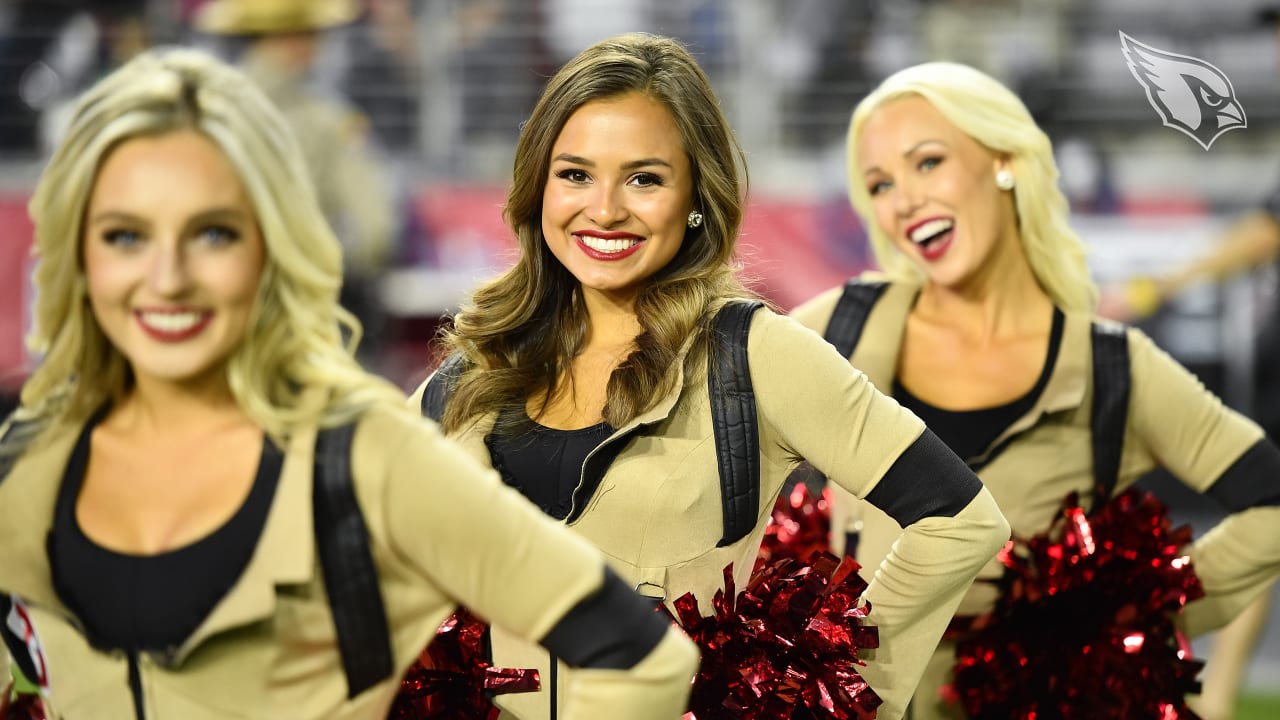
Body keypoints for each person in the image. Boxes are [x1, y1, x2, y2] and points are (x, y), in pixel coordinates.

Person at [0, 46, 699, 720]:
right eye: (125, 236)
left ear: (270, 248)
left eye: (213, 234)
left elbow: (637, 659)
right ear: (78, 254)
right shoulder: (30, 457)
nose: (167, 278)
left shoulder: (363, 455)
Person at [412, 33, 1011, 720]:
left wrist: (828, 691)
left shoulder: (753, 355)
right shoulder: (464, 380)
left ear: (697, 194)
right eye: (575, 174)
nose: (604, 209)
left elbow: (959, 521)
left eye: (644, 178)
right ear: (535, 189)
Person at [790, 61, 1280, 719]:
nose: (902, 200)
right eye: (879, 184)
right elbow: (696, 441)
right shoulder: (837, 328)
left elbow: (1270, 502)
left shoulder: (1110, 364)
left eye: (927, 163)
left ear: (1004, 161)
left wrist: (1147, 618)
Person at [194, 0, 396, 359]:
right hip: (305, 323)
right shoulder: (329, 122)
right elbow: (375, 233)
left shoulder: (201, 113)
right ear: (295, 38)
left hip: (212, 317)